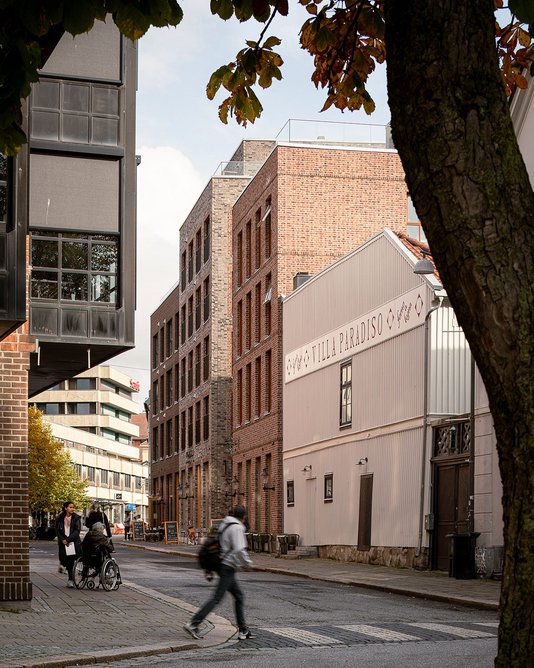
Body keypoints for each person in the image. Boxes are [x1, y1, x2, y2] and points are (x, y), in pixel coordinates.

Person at [183, 505, 254, 640]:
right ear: (243, 517)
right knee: (216, 598)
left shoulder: (225, 524)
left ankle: (243, 629)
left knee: (239, 596)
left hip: (223, 564)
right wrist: (247, 564)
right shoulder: (237, 527)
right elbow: (239, 549)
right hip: (228, 566)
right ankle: (193, 623)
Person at [55, 501, 82, 588]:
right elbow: (57, 530)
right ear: (66, 508)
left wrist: (68, 539)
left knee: (70, 561)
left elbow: (77, 531)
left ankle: (70, 580)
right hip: (63, 542)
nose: (72, 509)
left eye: (73, 507)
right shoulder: (60, 518)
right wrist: (62, 539)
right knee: (63, 557)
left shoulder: (76, 518)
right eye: (70, 507)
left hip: (72, 542)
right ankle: (63, 566)